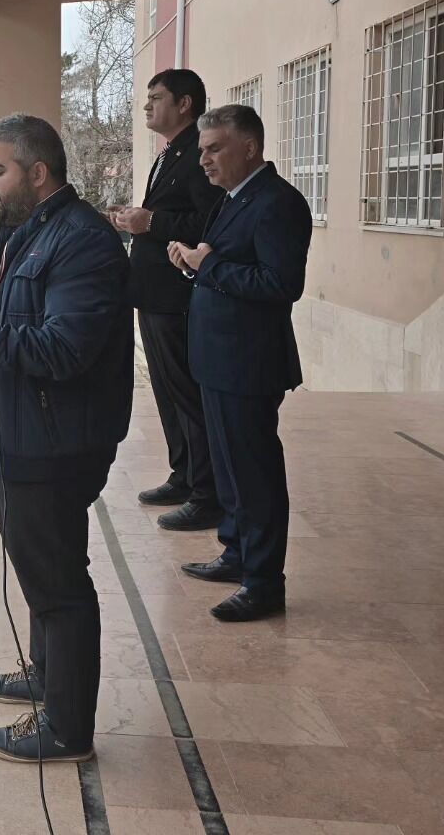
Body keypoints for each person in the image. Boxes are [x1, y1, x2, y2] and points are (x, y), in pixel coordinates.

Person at [0, 113, 132, 765]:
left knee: (60, 585)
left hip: (55, 443)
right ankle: (45, 674)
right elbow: (14, 314)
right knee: (39, 573)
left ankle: (67, 728)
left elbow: (66, 347)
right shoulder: (27, 233)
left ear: (36, 173)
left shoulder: (83, 242)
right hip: (20, 432)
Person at [168, 104, 312, 623]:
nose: (203, 160)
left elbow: (281, 284)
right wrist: (194, 265)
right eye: (202, 150)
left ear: (249, 148)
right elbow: (224, 266)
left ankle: (263, 583)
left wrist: (211, 265)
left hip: (248, 363)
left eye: (214, 149)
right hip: (217, 358)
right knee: (230, 468)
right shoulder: (235, 198)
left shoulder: (277, 203)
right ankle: (236, 553)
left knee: (254, 473)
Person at [111, 69, 226, 531]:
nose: (147, 106)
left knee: (186, 393)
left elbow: (207, 222)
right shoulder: (169, 154)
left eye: (156, 98)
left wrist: (150, 223)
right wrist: (136, 219)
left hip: (178, 294)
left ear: (185, 104)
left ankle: (206, 492)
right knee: (166, 392)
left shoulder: (198, 155)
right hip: (153, 293)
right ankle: (183, 474)